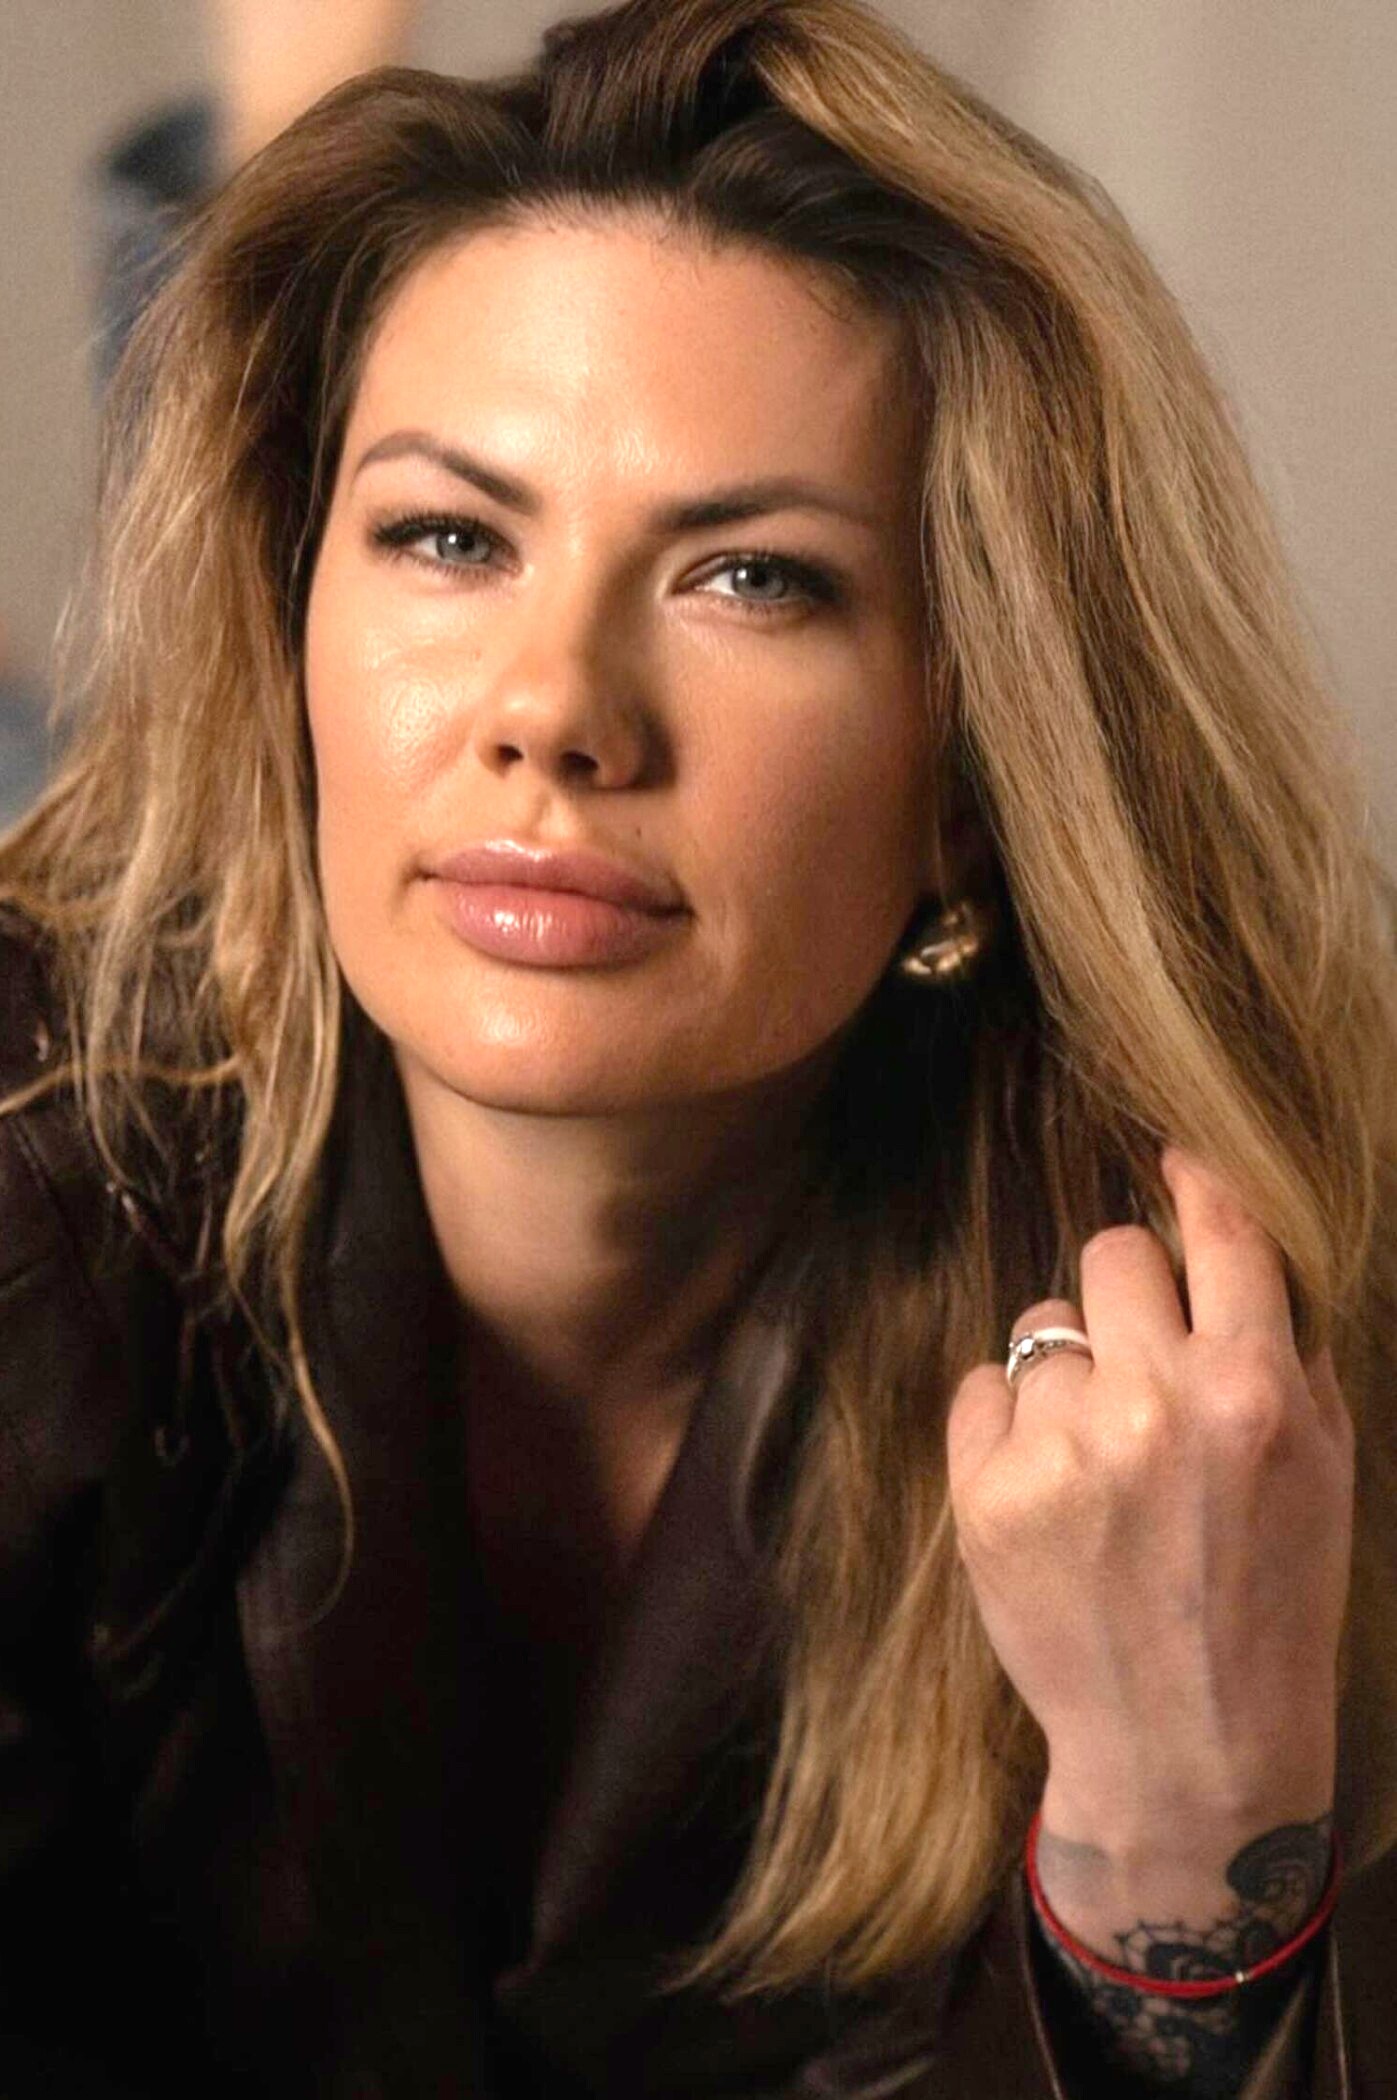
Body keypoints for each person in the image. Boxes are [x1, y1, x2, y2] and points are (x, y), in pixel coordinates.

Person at [1, 0, 1394, 2092]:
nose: (554, 709)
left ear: (971, 768)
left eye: (753, 577)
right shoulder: (34, 1179)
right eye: (448, 538)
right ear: (288, 620)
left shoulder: (1249, 1391)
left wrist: (1186, 1830)